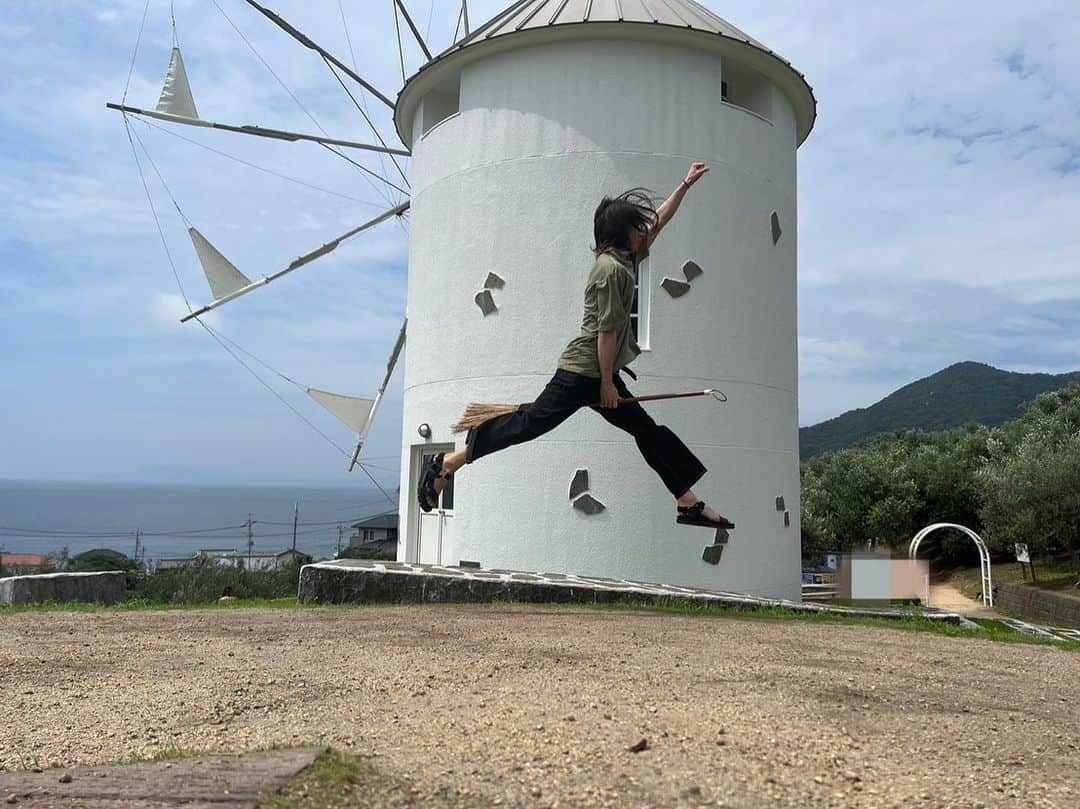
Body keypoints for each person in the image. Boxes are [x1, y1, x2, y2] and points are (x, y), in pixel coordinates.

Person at [419, 162, 734, 531]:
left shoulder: (623, 258)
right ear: (622, 234)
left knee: (645, 430)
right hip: (583, 372)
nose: (642, 231)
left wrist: (685, 185)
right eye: (635, 227)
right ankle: (448, 463)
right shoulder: (610, 270)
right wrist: (605, 384)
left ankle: (687, 503)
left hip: (598, 372)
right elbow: (607, 331)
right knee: (531, 423)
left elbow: (658, 223)